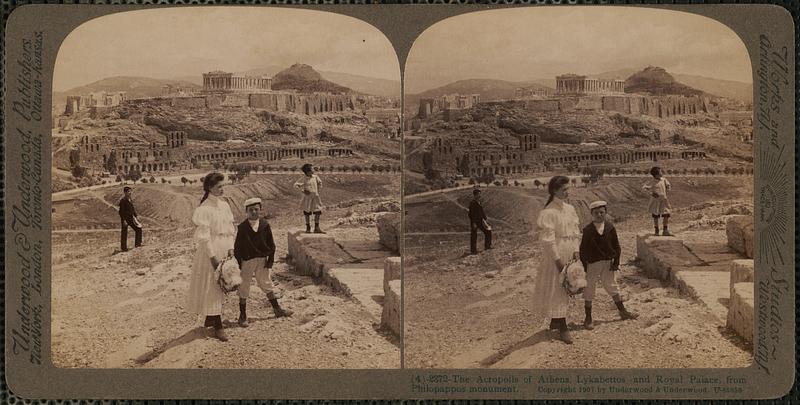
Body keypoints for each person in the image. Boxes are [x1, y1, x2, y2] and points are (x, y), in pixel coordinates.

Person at [186, 172, 236, 342]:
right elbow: (204, 237)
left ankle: (211, 317)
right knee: (212, 286)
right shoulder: (204, 209)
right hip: (211, 251)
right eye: (218, 187)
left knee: (223, 284)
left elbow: (229, 229)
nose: (222, 190)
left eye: (223, 186)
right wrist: (213, 257)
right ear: (209, 188)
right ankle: (218, 326)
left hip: (224, 247)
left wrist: (231, 249)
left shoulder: (224, 205)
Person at [533, 176, 581, 344]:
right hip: (557, 253)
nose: (567, 192)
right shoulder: (548, 212)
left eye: (568, 189)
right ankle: (563, 327)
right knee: (558, 288)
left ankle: (557, 320)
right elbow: (548, 240)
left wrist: (576, 251)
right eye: (564, 190)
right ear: (554, 191)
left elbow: (575, 232)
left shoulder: (570, 209)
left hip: (569, 250)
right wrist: (558, 261)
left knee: (569, 286)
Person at [233, 197, 293, 327]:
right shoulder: (242, 227)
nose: (254, 212)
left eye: (256, 209)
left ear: (260, 210)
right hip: (247, 260)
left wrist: (270, 260)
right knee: (244, 286)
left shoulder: (265, 225)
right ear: (246, 211)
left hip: (262, 260)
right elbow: (237, 247)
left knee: (266, 283)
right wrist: (238, 264)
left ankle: (277, 309)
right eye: (251, 210)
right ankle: (242, 315)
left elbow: (271, 244)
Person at [579, 200, 638, 330]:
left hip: (607, 263)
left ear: (605, 212)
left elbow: (617, 246)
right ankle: (588, 318)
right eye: (596, 213)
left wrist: (616, 262)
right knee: (589, 289)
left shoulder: (610, 227)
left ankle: (623, 312)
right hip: (592, 264)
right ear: (591, 214)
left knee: (612, 286)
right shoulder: (588, 230)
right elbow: (582, 249)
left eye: (602, 212)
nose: (599, 215)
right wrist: (584, 266)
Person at [642, 166, 673, 236]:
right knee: (656, 215)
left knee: (666, 214)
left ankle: (665, 230)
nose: (662, 173)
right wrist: (651, 193)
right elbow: (644, 188)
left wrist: (668, 188)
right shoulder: (652, 182)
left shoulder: (664, 180)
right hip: (655, 201)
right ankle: (656, 229)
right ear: (656, 175)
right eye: (660, 172)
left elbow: (668, 185)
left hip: (664, 200)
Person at [294, 164, 324, 233]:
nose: (313, 170)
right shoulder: (303, 178)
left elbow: (320, 183)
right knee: (307, 212)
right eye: (312, 169)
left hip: (315, 198)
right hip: (307, 198)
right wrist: (303, 190)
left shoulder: (315, 177)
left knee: (318, 211)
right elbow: (295, 185)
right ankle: (308, 227)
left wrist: (317, 191)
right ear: (308, 172)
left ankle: (317, 227)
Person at [468, 188, 492, 255]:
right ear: (475, 195)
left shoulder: (479, 202)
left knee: (488, 231)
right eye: (478, 194)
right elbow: (470, 214)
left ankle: (487, 246)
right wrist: (473, 223)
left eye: (480, 194)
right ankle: (473, 250)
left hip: (481, 221)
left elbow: (481, 212)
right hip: (475, 222)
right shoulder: (472, 203)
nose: (479, 196)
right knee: (474, 236)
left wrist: (485, 219)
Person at [118, 186, 143, 251]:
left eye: (130, 191)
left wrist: (136, 216)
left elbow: (132, 208)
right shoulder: (123, 201)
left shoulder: (130, 199)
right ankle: (124, 248)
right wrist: (124, 220)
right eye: (128, 191)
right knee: (124, 233)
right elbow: (121, 212)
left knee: (138, 229)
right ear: (125, 192)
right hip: (125, 219)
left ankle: (138, 244)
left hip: (131, 218)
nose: (130, 193)